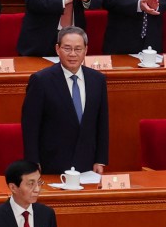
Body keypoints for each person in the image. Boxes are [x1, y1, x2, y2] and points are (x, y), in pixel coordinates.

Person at [21, 27, 108, 173]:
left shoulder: (97, 80)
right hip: (51, 163)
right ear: (57, 49)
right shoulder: (41, 80)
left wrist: (100, 159)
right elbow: (30, 125)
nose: (73, 54)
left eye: (78, 49)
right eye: (67, 48)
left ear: (86, 50)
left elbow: (102, 122)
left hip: (87, 164)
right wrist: (33, 161)